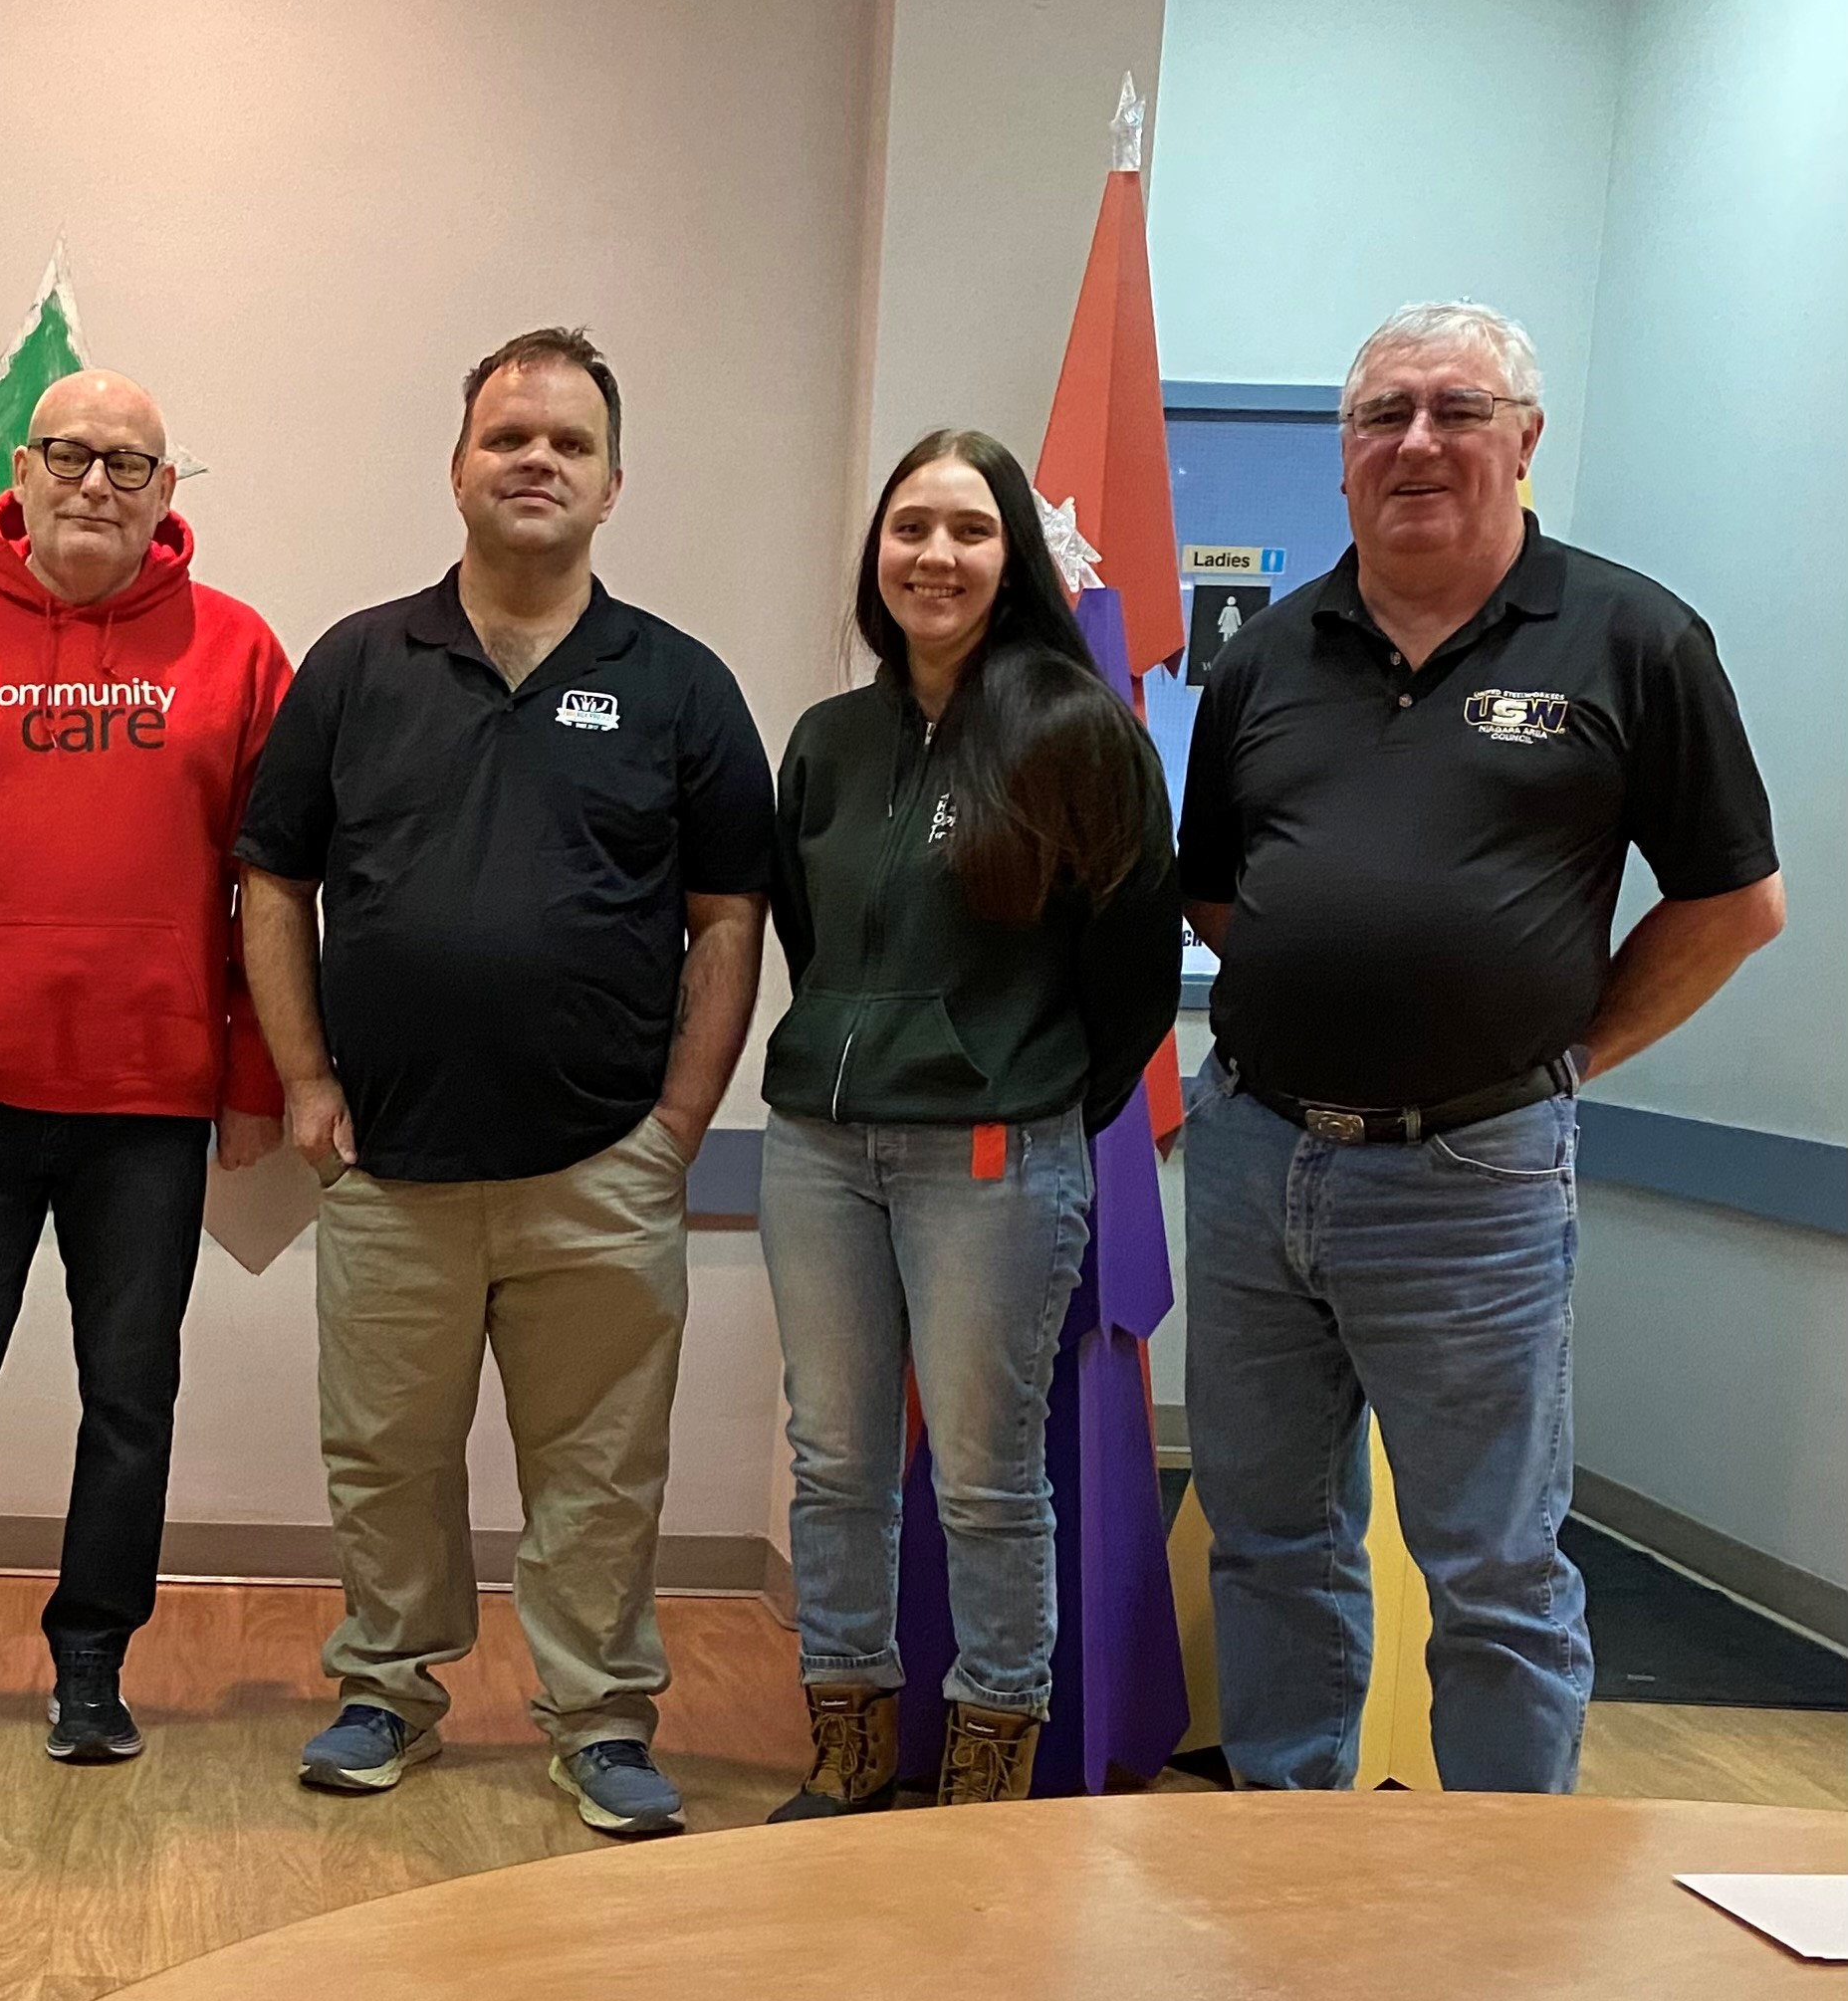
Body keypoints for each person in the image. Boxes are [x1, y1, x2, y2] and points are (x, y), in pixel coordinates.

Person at [1179, 302, 1783, 1794]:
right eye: (1383, 414)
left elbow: (1733, 903)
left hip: (1471, 1180)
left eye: (1457, 409)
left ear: (1523, 438)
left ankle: (1498, 1921)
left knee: (1493, 1568)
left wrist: (1562, 1057)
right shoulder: (1264, 657)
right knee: (1266, 1536)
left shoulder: (1630, 636)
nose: (1417, 442)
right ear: (1341, 460)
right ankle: (1286, 1848)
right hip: (1255, 1156)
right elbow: (1216, 885)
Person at [238, 327, 773, 1839]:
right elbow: (271, 880)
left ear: (610, 485)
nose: (534, 459)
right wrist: (301, 1077)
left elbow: (728, 915)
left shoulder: (676, 683)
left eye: (567, 443)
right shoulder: (356, 663)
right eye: (506, 436)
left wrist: (675, 1123)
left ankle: (600, 1714)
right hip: (391, 1162)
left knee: (598, 1470)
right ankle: (385, 1688)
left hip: (600, 1164)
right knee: (385, 1456)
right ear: (457, 466)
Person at [0, 371, 292, 1766]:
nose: (98, 481)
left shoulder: (238, 653)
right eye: (72, 456)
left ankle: (92, 1661)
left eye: (130, 463)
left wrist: (255, 1073)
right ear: (17, 475)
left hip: (150, 1108)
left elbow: (269, 891)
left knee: (129, 1395)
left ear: (166, 494)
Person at [756, 430, 1179, 1817]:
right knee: (834, 1463)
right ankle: (849, 1746)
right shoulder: (826, 742)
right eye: (908, 529)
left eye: (968, 529)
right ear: (875, 557)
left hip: (995, 1159)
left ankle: (988, 1764)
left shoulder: (1074, 732)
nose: (934, 555)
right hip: (820, 1148)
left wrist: (1019, 1084)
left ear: (1013, 558)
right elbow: (813, 944)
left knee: (989, 1479)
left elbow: (1127, 975)